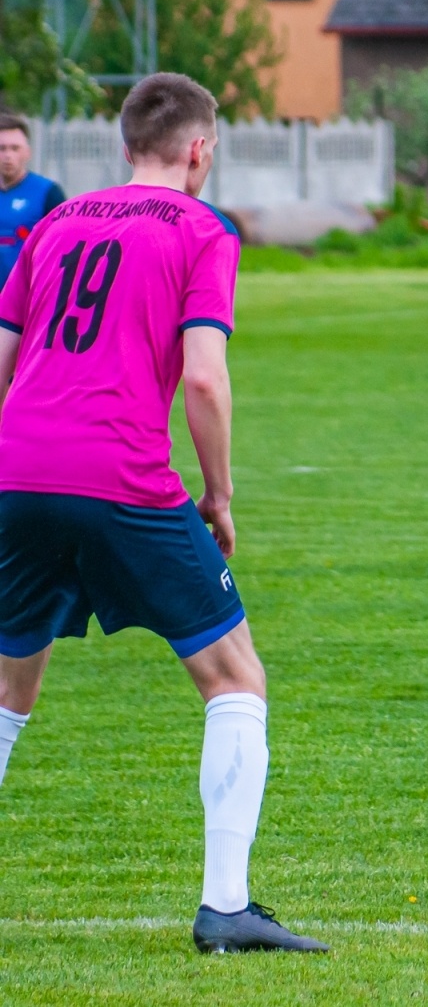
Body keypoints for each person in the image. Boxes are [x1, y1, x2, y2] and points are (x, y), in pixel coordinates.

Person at [0, 73, 325, 951]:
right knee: (235, 678)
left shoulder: (55, 222)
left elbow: (4, 356)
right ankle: (226, 907)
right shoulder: (201, 228)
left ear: (124, 145)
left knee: (7, 691)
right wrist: (217, 494)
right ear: (200, 149)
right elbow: (205, 380)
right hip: (122, 475)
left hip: (20, 471)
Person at [0, 114, 66, 285]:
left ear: (27, 152)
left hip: (26, 296)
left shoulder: (48, 193)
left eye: (15, 148)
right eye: (2, 148)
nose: (8, 155)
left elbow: (62, 248)